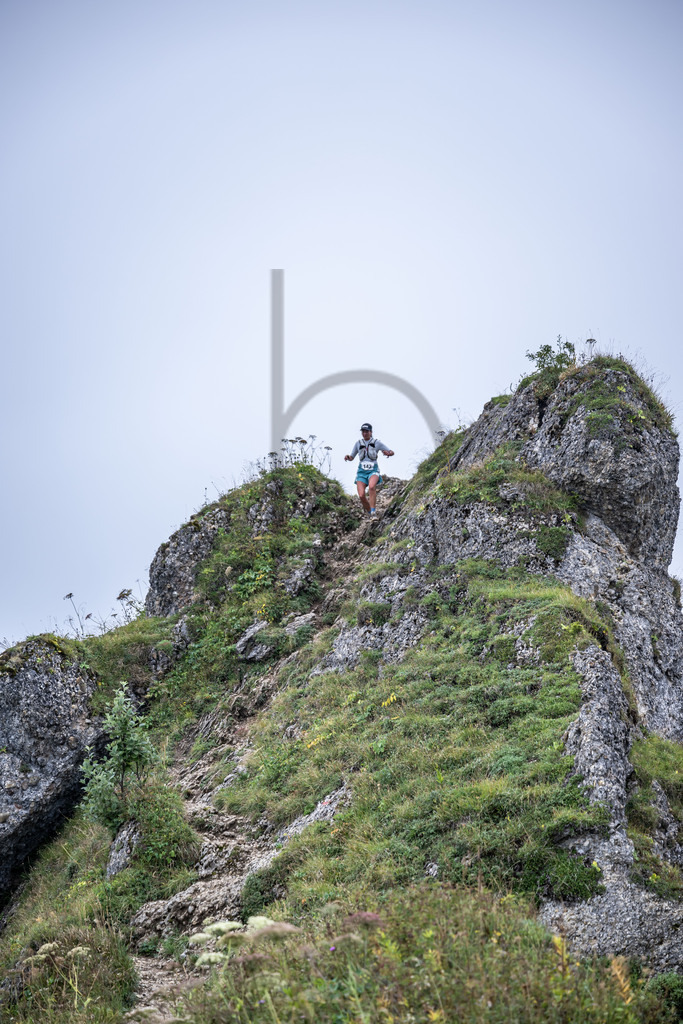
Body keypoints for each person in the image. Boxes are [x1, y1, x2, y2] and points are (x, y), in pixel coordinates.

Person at [344, 422, 394, 516]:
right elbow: (352, 457)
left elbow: (391, 451)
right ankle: (370, 513)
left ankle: (374, 511)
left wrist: (388, 453)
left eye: (366, 431)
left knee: (371, 487)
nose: (364, 433)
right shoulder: (358, 443)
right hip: (361, 472)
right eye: (363, 431)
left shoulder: (377, 443)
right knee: (362, 495)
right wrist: (348, 457)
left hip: (373, 470)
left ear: (371, 432)